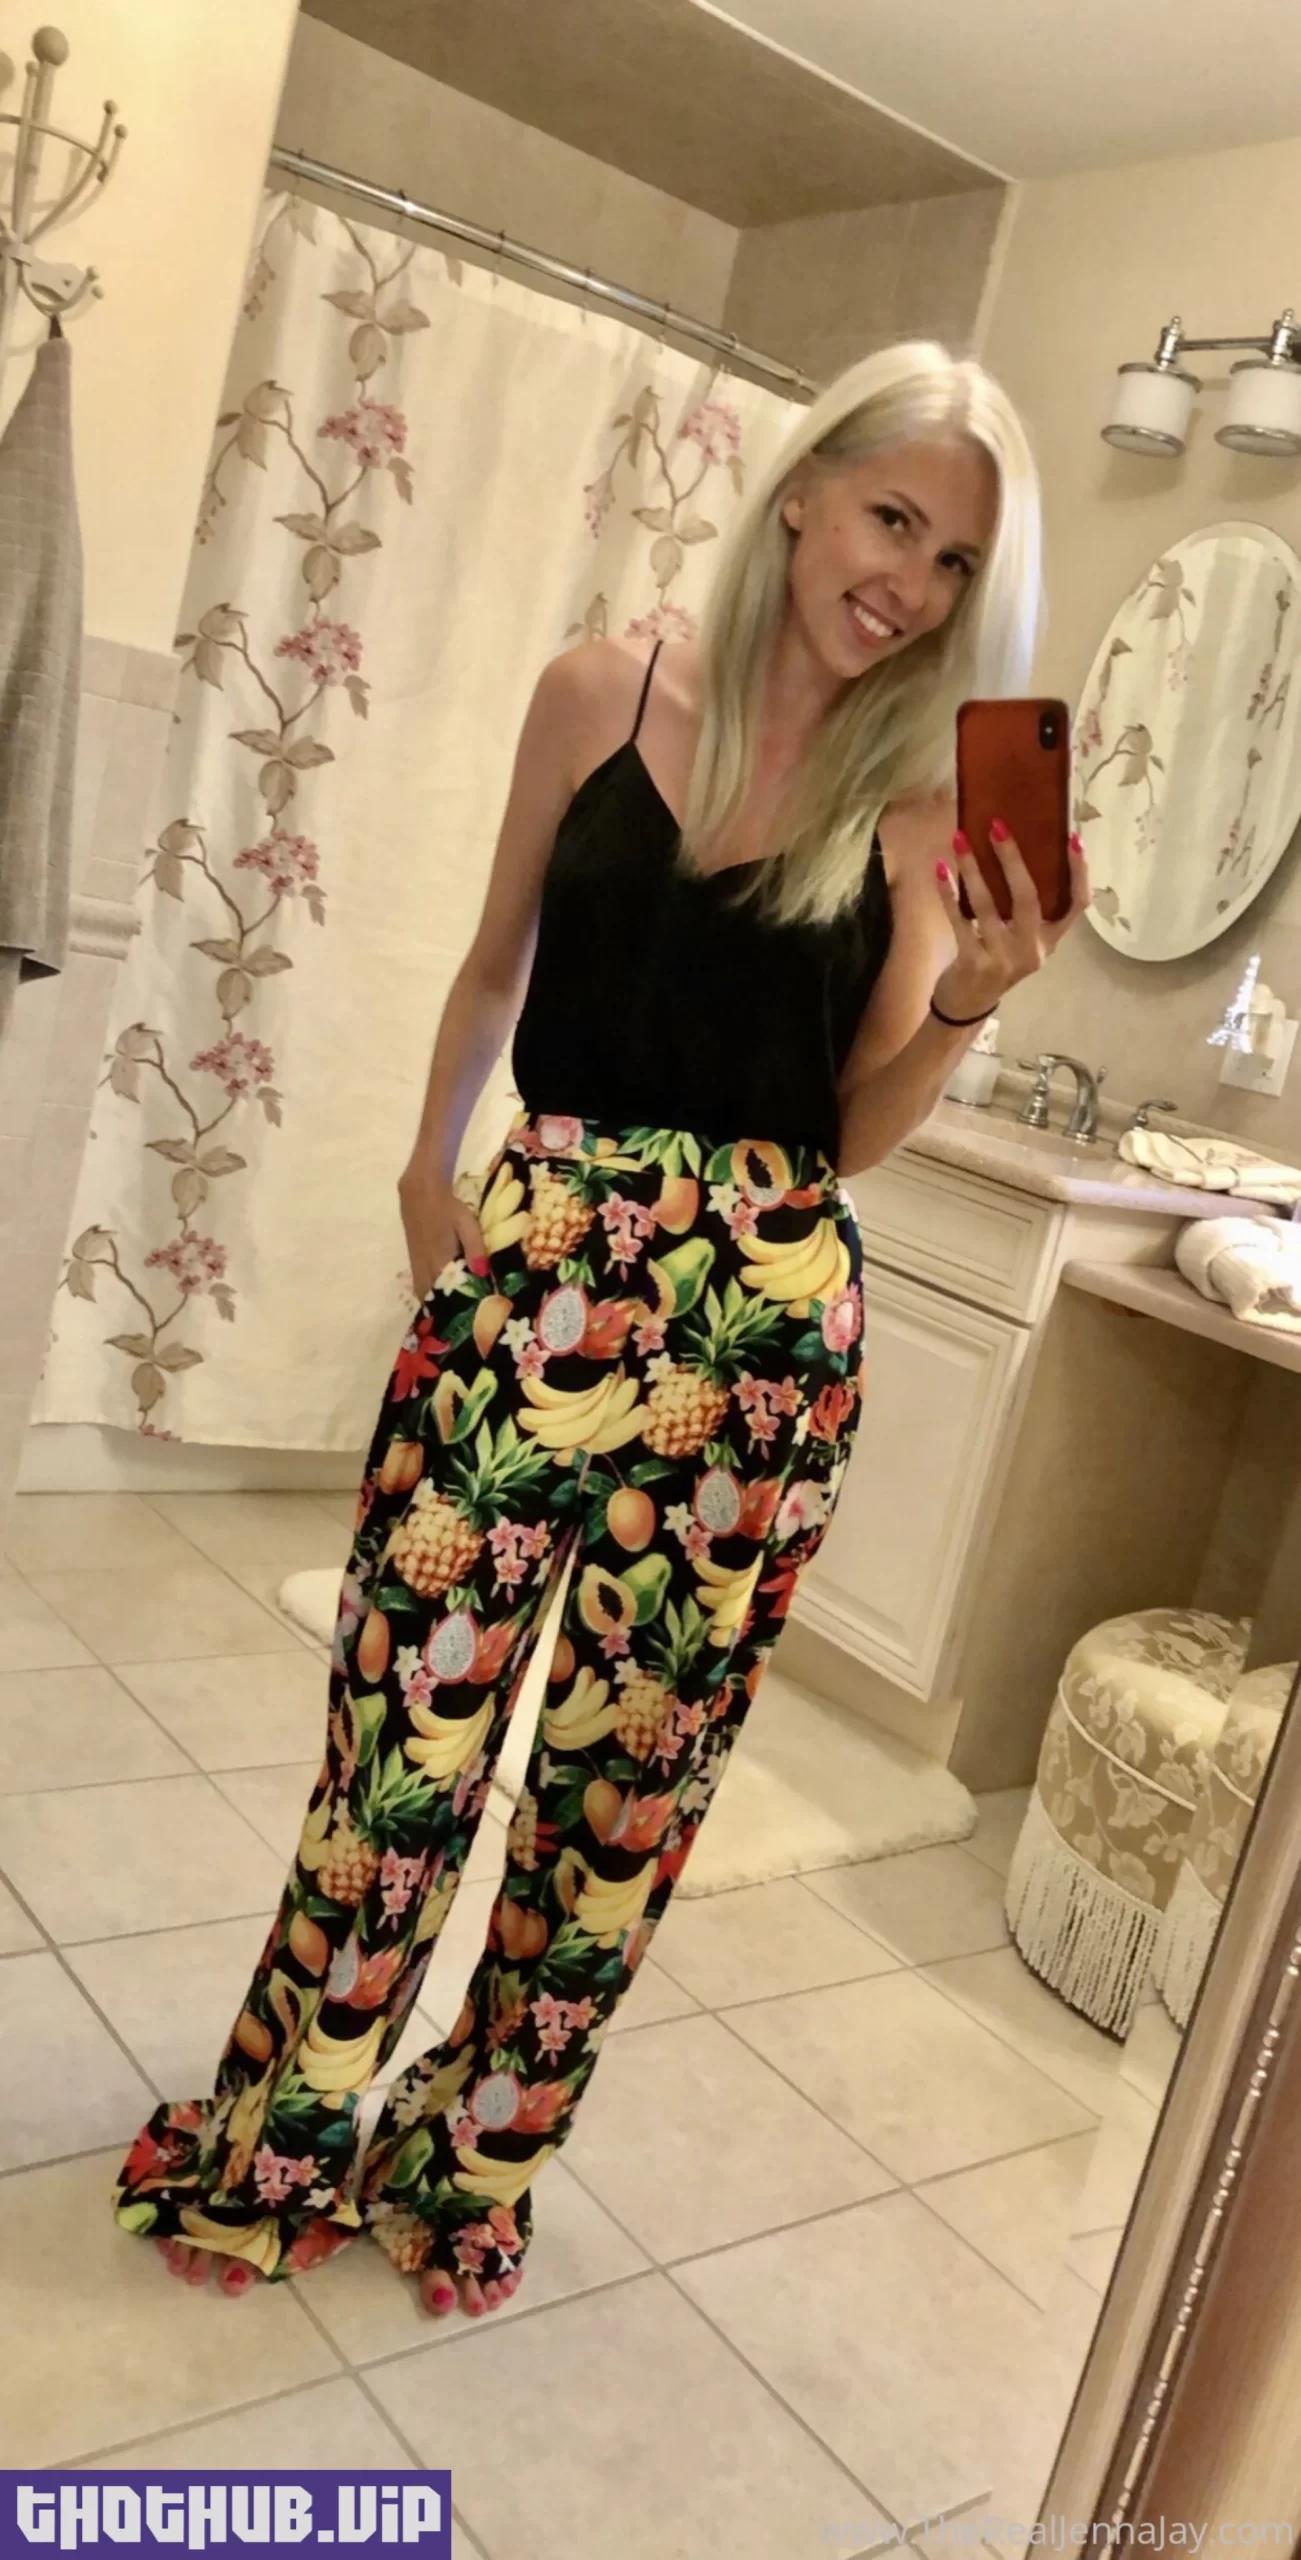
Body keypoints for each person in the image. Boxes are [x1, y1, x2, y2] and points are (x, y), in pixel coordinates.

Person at [113, 339, 1087, 2318]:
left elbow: (846, 1130)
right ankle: (279, 2143)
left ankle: (464, 2170)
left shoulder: (923, 806)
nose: (906, 582)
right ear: (803, 488)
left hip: (763, 1340)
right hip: (533, 1275)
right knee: (401, 1744)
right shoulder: (602, 691)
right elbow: (496, 960)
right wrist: (426, 1168)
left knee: (614, 1806)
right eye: (891, 517)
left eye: (953, 560)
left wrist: (971, 1003)